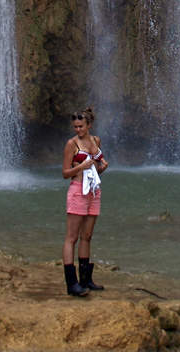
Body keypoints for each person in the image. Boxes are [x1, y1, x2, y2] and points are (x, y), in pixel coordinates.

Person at [61, 106, 107, 297]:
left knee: (87, 236)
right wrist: (80, 166)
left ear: (89, 125)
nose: (77, 130)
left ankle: (86, 280)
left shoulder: (96, 141)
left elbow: (97, 169)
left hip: (93, 192)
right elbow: (65, 173)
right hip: (77, 191)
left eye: (80, 126)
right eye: (75, 127)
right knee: (72, 237)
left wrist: (102, 166)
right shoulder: (71, 144)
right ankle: (72, 284)